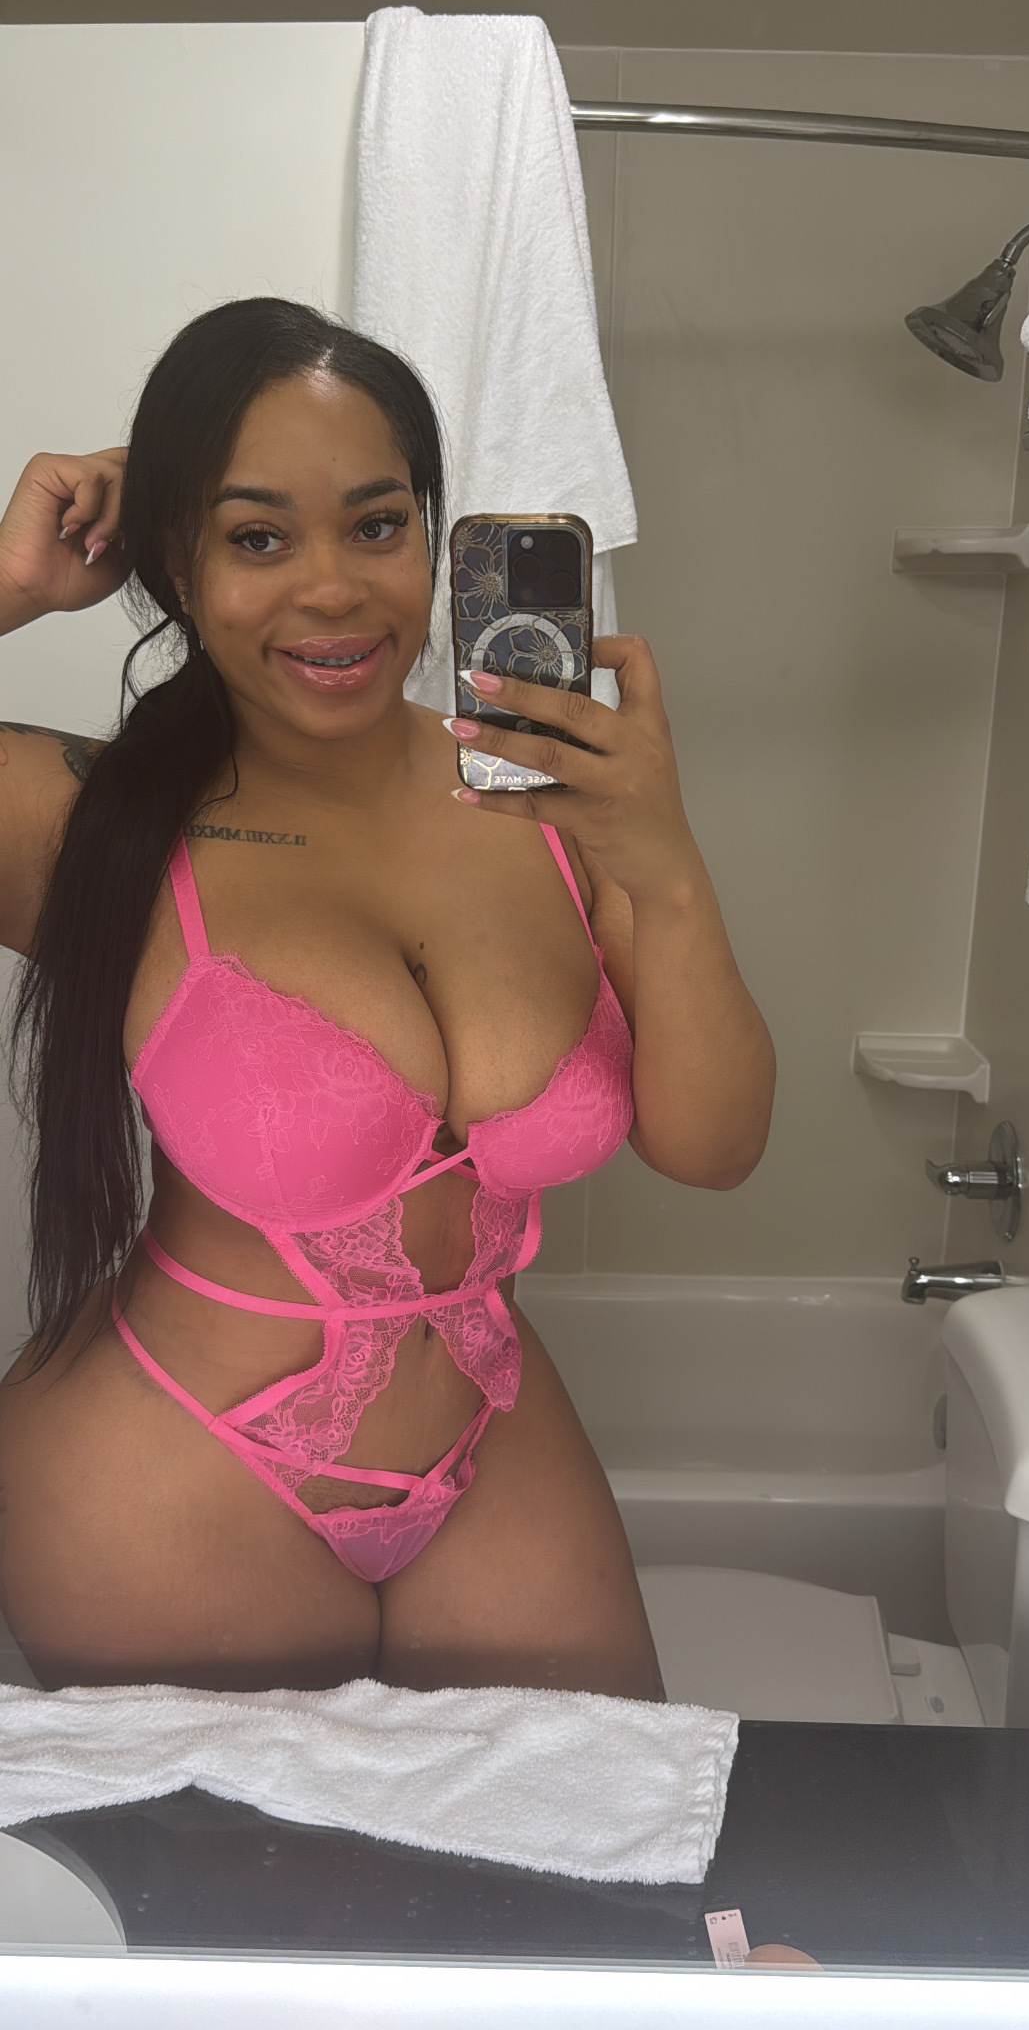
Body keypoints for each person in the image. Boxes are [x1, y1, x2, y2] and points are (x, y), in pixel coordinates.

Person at [0, 299, 774, 1694]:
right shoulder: (94, 823)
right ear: (174, 561)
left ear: (432, 532)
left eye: (375, 525)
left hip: (491, 1436)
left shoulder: (553, 801)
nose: (335, 591)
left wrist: (664, 867)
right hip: (167, 1472)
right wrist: (7, 582)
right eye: (256, 538)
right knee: (252, 1858)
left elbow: (715, 1151)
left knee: (596, 1825)